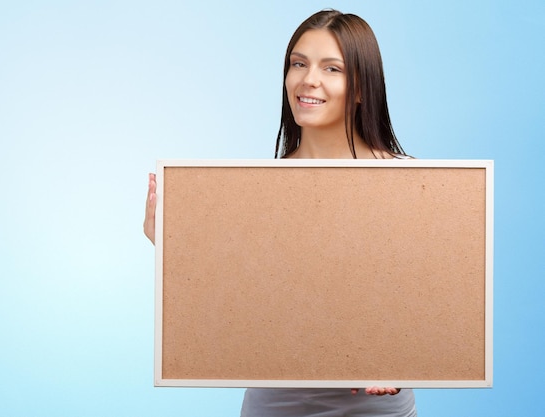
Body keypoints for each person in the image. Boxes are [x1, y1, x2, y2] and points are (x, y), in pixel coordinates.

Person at [144, 9, 417, 417]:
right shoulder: (259, 189)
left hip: (376, 410)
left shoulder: (413, 184)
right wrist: (170, 245)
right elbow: (239, 305)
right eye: (298, 64)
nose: (309, 79)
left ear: (362, 88)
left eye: (332, 68)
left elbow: (428, 297)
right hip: (273, 405)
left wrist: (409, 357)